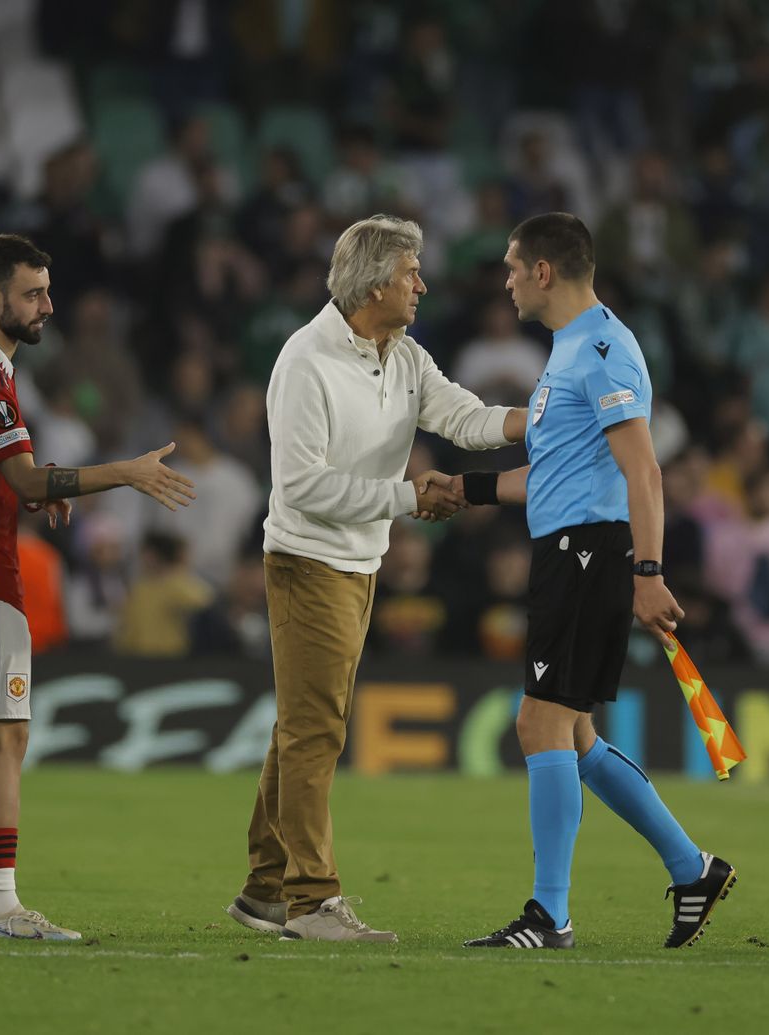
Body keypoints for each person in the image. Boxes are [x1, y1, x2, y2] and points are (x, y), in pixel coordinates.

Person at [0, 234, 195, 939]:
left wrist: (26, 488)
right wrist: (125, 471)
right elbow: (22, 475)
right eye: (33, 293)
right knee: (5, 734)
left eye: (47, 291)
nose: (47, 306)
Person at [225, 215, 526, 943]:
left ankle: (266, 889)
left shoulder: (403, 354)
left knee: (303, 725)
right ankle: (312, 901)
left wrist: (536, 418)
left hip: (358, 560)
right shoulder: (305, 361)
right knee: (315, 729)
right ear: (372, 283)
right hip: (307, 560)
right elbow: (302, 487)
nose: (422, 284)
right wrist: (407, 496)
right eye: (410, 272)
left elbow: (461, 415)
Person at [444, 212, 735, 950]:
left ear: (544, 271)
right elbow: (556, 473)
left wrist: (647, 570)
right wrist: (466, 490)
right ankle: (689, 865)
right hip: (569, 547)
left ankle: (550, 913)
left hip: (592, 553)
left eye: (512, 266)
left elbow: (644, 468)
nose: (506, 280)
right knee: (571, 736)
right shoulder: (569, 351)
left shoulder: (603, 348)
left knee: (538, 722)